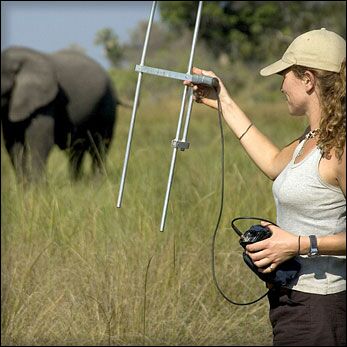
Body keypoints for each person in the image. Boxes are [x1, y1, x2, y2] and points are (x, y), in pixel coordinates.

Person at [185, 28, 346, 346]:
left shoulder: (340, 147)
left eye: (285, 74)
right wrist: (223, 102)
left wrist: (296, 244)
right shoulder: (311, 139)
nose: (281, 84)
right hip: (290, 300)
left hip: (320, 309)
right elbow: (273, 162)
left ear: (308, 80)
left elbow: (302, 240)